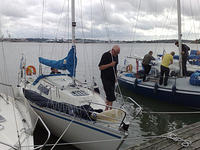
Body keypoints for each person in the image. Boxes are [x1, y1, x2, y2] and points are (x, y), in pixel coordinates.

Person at [98, 45, 120, 111]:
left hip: (112, 78)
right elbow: (100, 67)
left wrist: (116, 76)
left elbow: (115, 67)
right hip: (105, 78)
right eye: (116, 53)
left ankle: (107, 108)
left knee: (111, 93)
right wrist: (110, 64)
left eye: (118, 53)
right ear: (113, 50)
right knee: (110, 95)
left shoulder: (116, 56)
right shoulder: (106, 55)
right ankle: (110, 110)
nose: (116, 54)